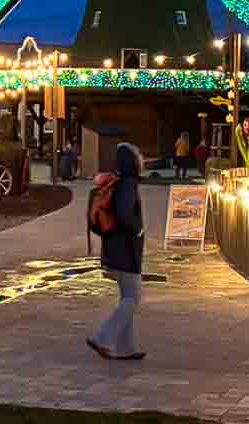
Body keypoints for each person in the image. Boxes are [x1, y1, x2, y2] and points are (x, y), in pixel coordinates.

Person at [86, 142, 146, 361]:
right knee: (133, 298)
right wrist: (138, 229)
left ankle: (125, 348)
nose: (141, 158)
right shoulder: (127, 184)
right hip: (126, 251)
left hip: (113, 249)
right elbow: (124, 213)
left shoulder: (117, 182)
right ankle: (103, 337)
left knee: (126, 297)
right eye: (138, 154)